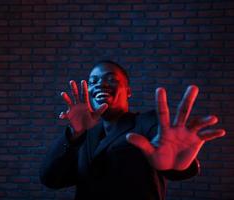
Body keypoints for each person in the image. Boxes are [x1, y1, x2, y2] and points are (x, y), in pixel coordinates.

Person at [40, 61, 226, 200]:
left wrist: (177, 164)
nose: (100, 84)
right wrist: (74, 133)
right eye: (93, 81)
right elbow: (51, 179)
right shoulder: (83, 137)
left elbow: (167, 154)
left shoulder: (146, 122)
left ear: (128, 91)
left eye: (111, 79)